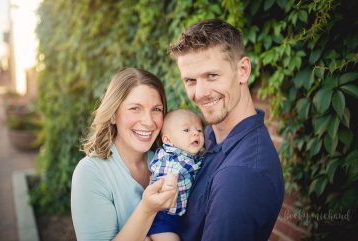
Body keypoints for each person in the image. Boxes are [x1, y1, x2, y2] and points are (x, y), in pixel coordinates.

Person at [169, 19, 285, 241]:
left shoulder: (240, 175)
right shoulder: (209, 136)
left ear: (242, 70)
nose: (200, 93)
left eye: (212, 76)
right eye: (190, 80)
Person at [71, 68, 178, 241]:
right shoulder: (90, 173)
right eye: (135, 108)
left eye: (156, 109)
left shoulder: (165, 162)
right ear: (113, 115)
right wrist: (147, 209)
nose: (148, 121)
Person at [148, 109, 205, 241]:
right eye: (186, 130)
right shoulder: (170, 157)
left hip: (181, 215)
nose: (195, 133)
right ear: (168, 140)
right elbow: (165, 173)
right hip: (163, 217)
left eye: (199, 130)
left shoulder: (191, 155)